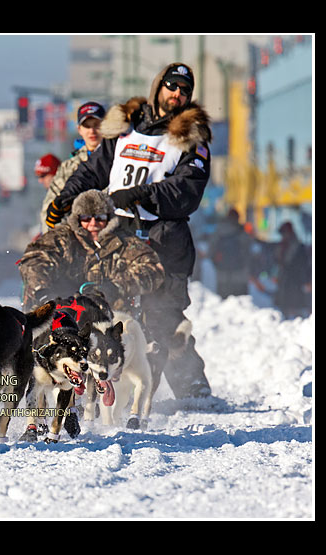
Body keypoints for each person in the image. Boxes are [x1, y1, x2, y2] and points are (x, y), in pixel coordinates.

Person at [44, 63, 213, 399]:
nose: (177, 94)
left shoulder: (192, 137)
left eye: (184, 90)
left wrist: (142, 194)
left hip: (164, 237)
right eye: (171, 86)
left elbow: (188, 190)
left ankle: (189, 386)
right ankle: (101, 391)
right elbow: (93, 171)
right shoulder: (126, 127)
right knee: (105, 310)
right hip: (116, 235)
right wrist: (65, 200)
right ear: (158, 87)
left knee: (162, 317)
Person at [20, 189, 165, 316]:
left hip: (108, 315)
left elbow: (153, 268)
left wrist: (114, 287)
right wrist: (43, 292)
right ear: (78, 219)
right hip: (59, 310)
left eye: (100, 218)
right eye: (86, 218)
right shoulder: (61, 237)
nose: (93, 224)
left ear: (109, 218)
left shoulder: (124, 242)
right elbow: (34, 259)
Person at [39, 102, 105, 235]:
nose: (92, 131)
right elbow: (50, 208)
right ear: (80, 129)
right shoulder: (69, 167)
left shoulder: (119, 159)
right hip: (77, 236)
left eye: (96, 125)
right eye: (87, 126)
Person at [208, 208, 254, 298]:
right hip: (239, 273)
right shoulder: (242, 232)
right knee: (240, 301)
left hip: (222, 274)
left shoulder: (218, 230)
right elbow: (248, 250)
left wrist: (215, 262)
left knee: (223, 300)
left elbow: (211, 250)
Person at [272, 222, 312, 318]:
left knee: (296, 309)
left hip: (295, 283)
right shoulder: (283, 246)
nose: (283, 236)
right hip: (285, 283)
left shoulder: (297, 247)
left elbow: (304, 265)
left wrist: (307, 281)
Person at [35, 153, 62, 233]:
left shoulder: (63, 195)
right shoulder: (51, 195)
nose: (40, 181)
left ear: (54, 173)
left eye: (43, 176)